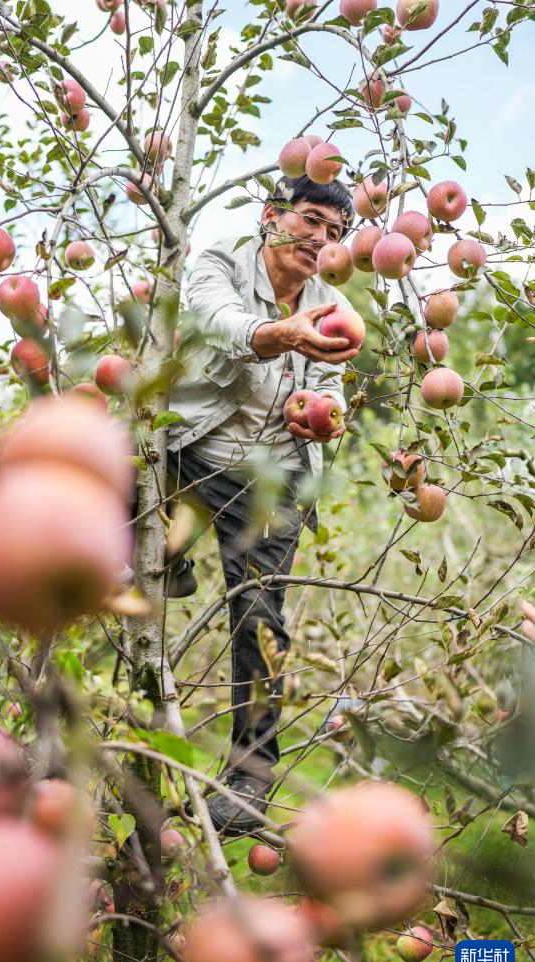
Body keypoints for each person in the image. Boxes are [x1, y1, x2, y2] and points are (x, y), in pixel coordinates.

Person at [165, 173, 358, 834]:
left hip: (274, 477)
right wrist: (281, 334)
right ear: (273, 214)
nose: (321, 238)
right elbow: (219, 323)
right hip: (197, 452)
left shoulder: (332, 304)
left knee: (258, 616)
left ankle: (250, 779)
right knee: (117, 451)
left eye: (335, 232)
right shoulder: (221, 260)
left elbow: (331, 384)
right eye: (311, 219)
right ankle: (169, 560)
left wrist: (325, 414)